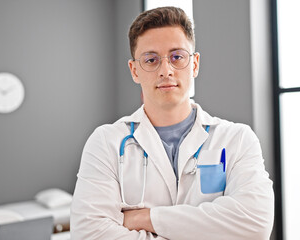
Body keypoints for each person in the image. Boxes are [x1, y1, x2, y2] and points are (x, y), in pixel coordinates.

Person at [71, 6, 274, 240]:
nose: (165, 70)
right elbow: (89, 234)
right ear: (134, 70)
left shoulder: (237, 139)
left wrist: (145, 218)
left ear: (194, 64)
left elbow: (254, 224)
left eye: (177, 57)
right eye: (151, 60)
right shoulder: (106, 142)